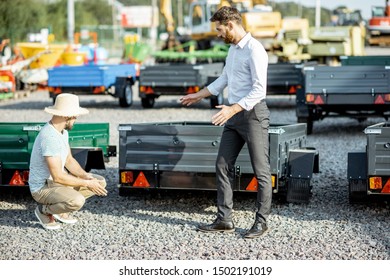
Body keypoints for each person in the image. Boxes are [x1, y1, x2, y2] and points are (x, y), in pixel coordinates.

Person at [179, 6, 272, 239]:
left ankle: (261, 222)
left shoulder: (255, 50)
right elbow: (224, 79)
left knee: (261, 171)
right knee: (222, 165)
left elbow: (259, 90)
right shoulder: (232, 50)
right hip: (233, 114)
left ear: (230, 25)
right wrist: (198, 95)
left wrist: (233, 108)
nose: (218, 34)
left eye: (220, 29)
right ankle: (224, 220)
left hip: (252, 115)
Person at [29, 93, 107, 230]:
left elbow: (69, 160)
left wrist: (86, 176)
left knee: (99, 182)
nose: (76, 119)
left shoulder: (62, 132)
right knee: (77, 201)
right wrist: (86, 183)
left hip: (54, 183)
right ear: (66, 116)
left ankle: (60, 209)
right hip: (43, 188)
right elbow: (58, 176)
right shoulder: (49, 137)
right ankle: (44, 210)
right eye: (75, 116)